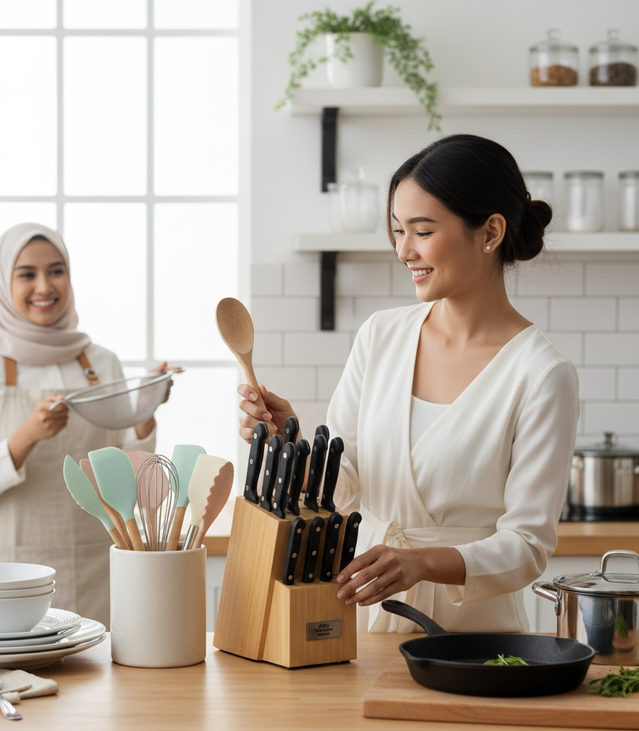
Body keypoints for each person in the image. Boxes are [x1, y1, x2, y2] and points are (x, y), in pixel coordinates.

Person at [237, 134, 578, 633]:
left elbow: (526, 547)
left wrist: (420, 562)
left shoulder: (541, 374)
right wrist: (297, 447)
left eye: (421, 231)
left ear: (490, 233)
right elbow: (345, 481)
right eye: (397, 231)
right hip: (363, 617)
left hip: (472, 638)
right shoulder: (381, 336)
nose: (403, 251)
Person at [0, 222, 171, 624]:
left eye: (56, 270)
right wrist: (26, 436)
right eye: (26, 274)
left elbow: (132, 484)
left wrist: (143, 413)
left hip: (95, 572)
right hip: (8, 576)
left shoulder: (101, 363)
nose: (44, 286)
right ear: (2, 283)